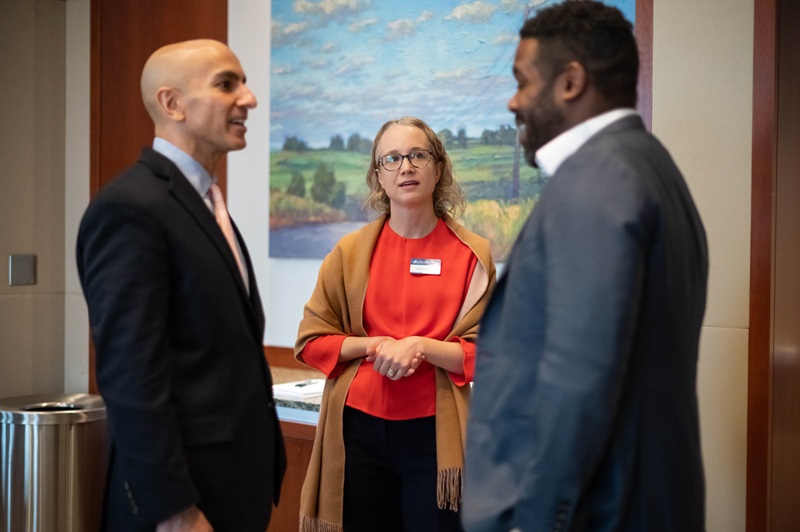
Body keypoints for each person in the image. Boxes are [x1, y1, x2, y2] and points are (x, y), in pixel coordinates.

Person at [462, 2, 708, 531]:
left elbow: (577, 378)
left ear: (570, 81)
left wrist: (534, 518)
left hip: (597, 511)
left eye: (522, 81)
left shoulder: (596, 182)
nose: (513, 101)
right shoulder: (650, 165)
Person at [77, 39, 285, 532]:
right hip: (181, 506)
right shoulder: (130, 207)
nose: (250, 99)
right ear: (172, 104)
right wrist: (173, 510)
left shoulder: (207, 205)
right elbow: (131, 375)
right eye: (226, 84)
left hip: (232, 489)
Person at [294, 116, 496, 532]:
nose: (406, 166)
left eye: (418, 155)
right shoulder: (349, 253)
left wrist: (420, 346)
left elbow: (491, 354)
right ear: (378, 176)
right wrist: (372, 346)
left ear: (438, 169)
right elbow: (312, 341)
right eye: (392, 158)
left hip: (434, 437)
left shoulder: (474, 256)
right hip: (356, 432)